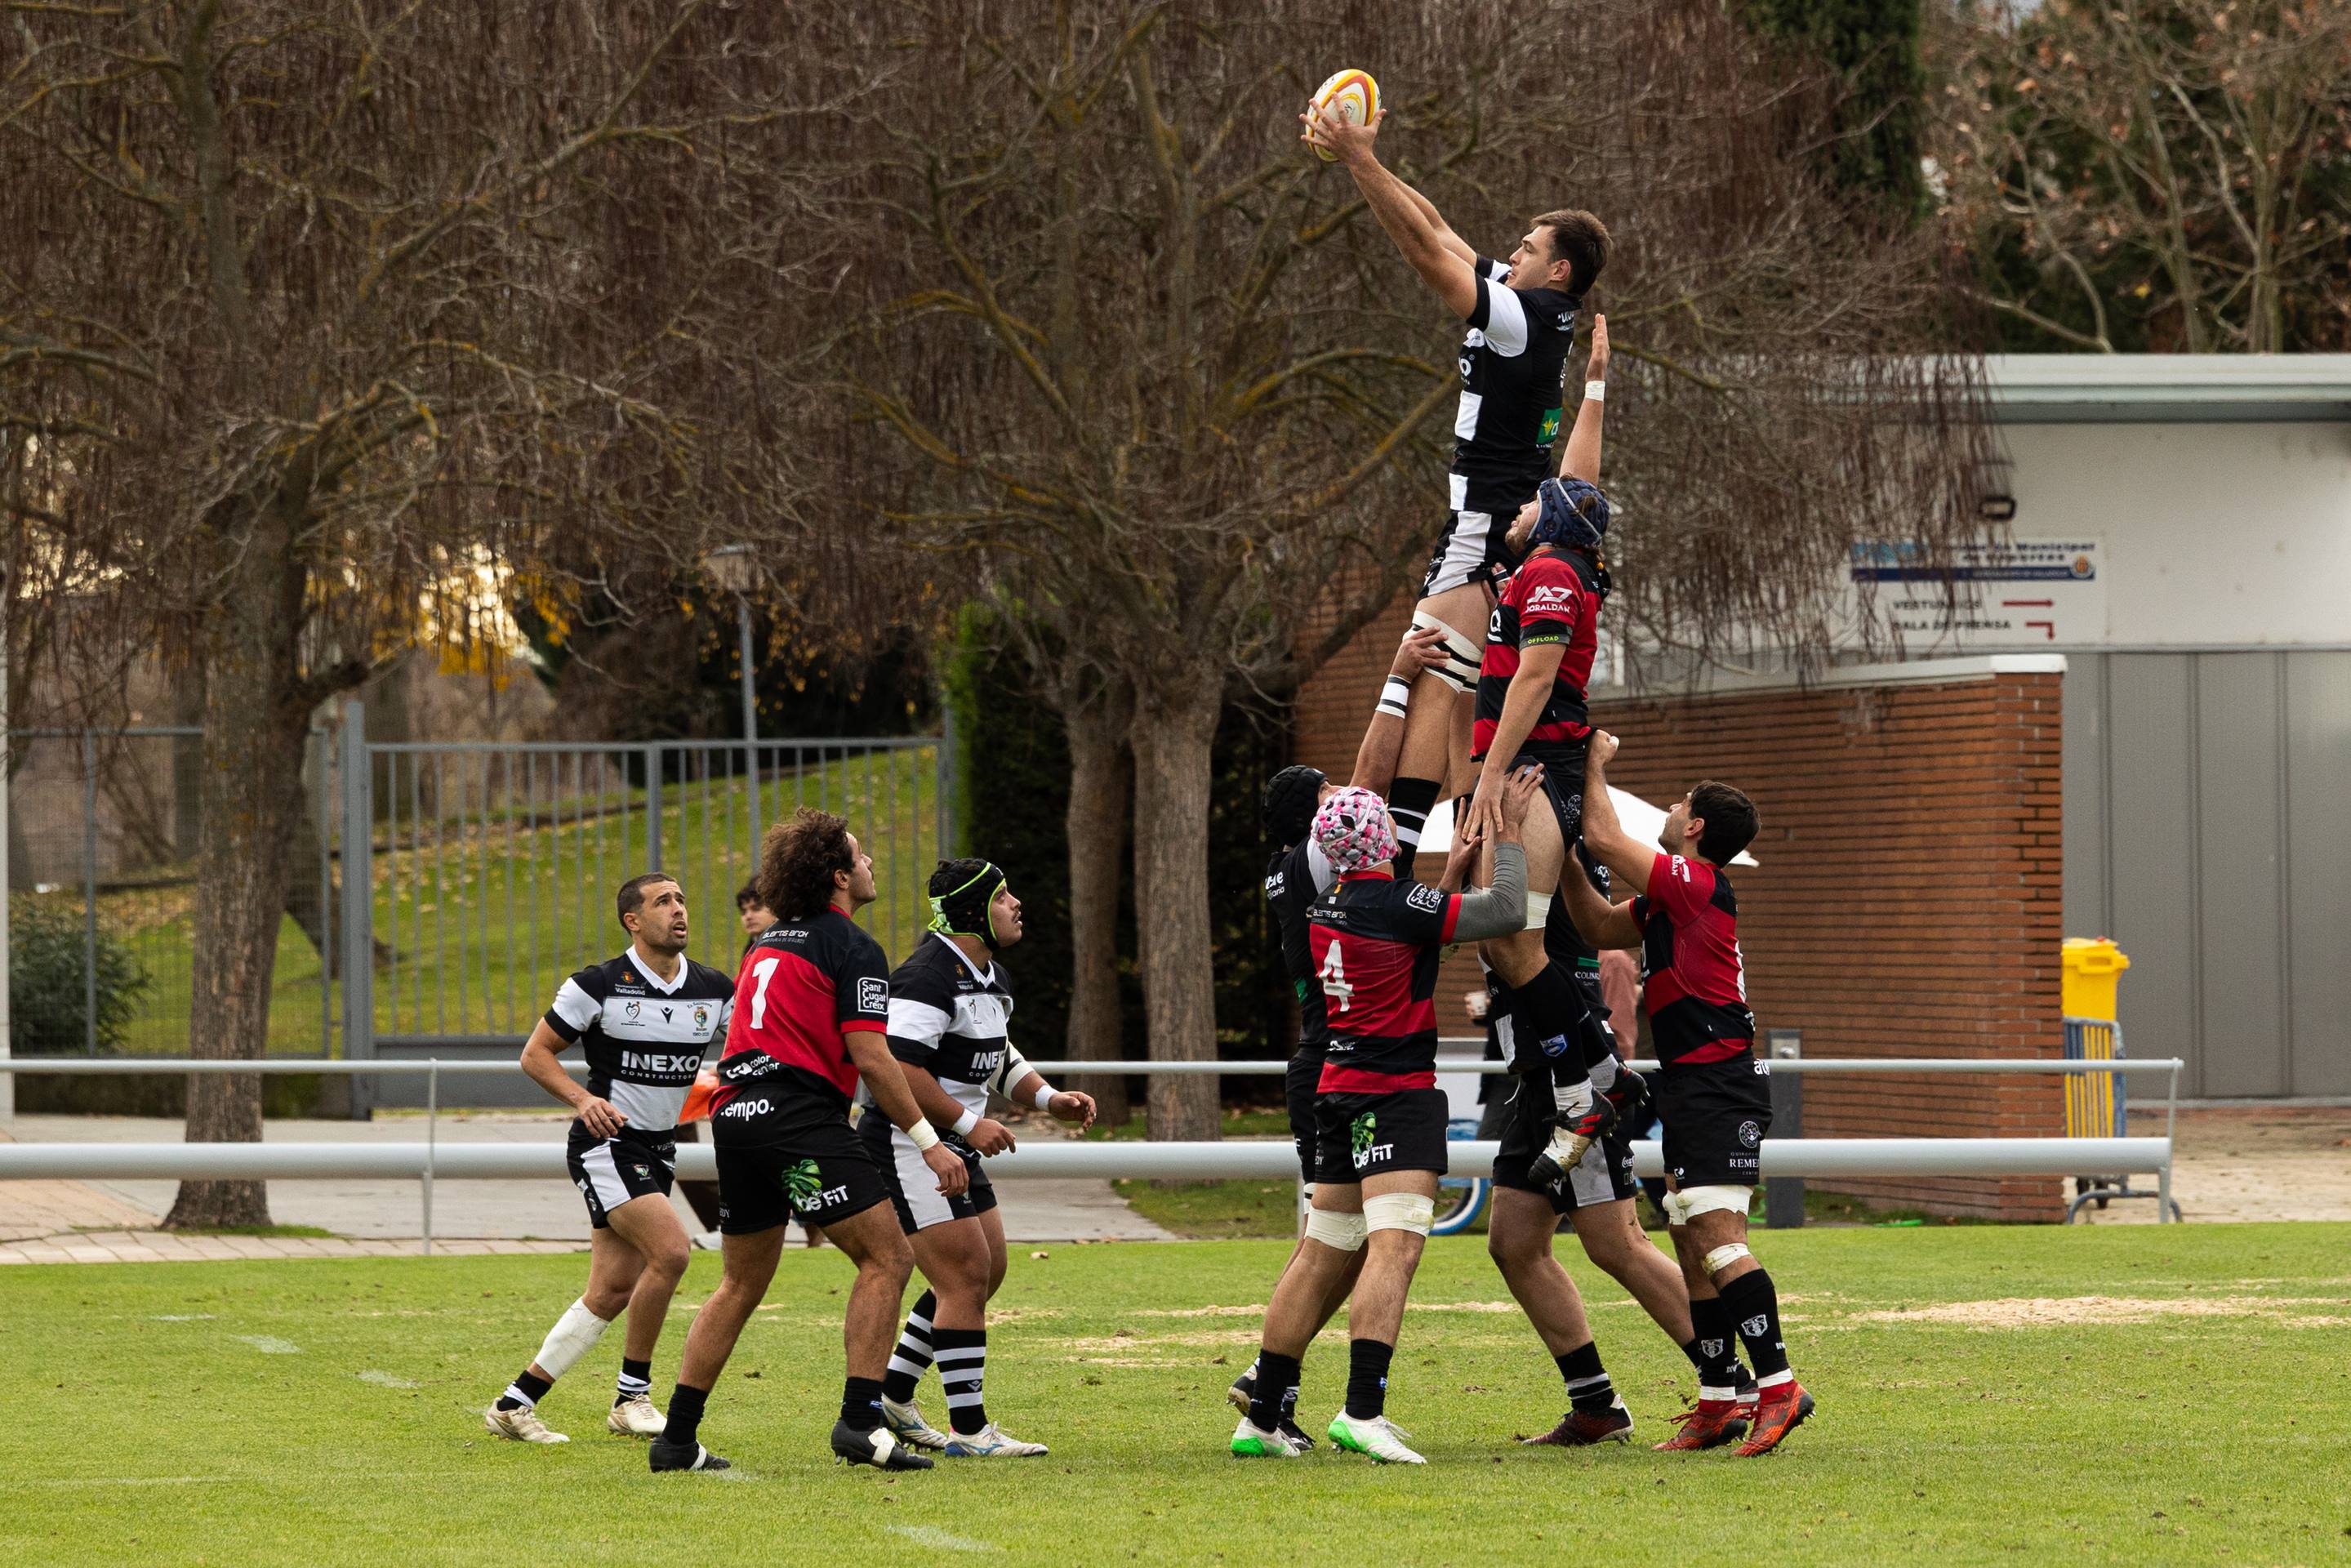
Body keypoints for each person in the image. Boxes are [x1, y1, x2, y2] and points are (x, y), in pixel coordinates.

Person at [1303, 98, 1611, 875]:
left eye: (1527, 246)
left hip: (1479, 526)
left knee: (1424, 682)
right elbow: (1437, 228)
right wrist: (1366, 154)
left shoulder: (1521, 319)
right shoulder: (1531, 305)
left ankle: (1399, 868)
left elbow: (1421, 256)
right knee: (1443, 687)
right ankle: (1425, 863)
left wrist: (1356, 162)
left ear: (1558, 270)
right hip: (1496, 520)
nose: (1510, 252)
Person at [1232, 773, 1538, 1464]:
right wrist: (1510, 832)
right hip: (1391, 1092)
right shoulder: (1398, 903)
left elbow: (1412, 940)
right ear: (1380, 840)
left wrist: (1451, 871)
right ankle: (1361, 1410)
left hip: (1337, 1088)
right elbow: (1507, 910)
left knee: (1321, 1250)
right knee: (1393, 1247)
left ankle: (1261, 1414)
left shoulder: (1327, 903)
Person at [650, 809, 967, 1474]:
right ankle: (859, 1423)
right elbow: (873, 1057)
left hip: (737, 1122)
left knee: (739, 1283)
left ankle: (676, 1440)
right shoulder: (851, 946)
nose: (872, 863)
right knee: (888, 1258)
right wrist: (929, 1140)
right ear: (837, 875)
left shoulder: (764, 944)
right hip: (797, 1123)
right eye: (862, 855)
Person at [1560, 733, 1813, 1457]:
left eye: (1677, 805)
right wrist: (1575, 862)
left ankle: (1779, 1384)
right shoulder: (1669, 898)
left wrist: (1594, 767)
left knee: (1715, 1236)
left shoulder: (1691, 882)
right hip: (1694, 1084)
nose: (1668, 812)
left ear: (1695, 826)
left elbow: (1608, 835)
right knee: (1686, 1231)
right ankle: (1715, 1401)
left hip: (1720, 1083)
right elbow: (1599, 924)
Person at [1226, 626, 1449, 1446]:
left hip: (1323, 1060)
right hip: (1355, 1063)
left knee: (1335, 1240)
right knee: (1362, 1243)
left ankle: (1268, 1394)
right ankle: (1328, 1400)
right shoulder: (1319, 864)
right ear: (1310, 824)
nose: (1344, 804)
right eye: (1327, 800)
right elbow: (1367, 780)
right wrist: (1397, 676)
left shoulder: (1294, 875)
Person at [483, 873, 734, 1444]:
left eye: (682, 899)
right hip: (607, 1145)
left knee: (611, 1290)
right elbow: (536, 1054)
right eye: (663, 902)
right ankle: (631, 1395)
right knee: (670, 1253)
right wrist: (583, 1098)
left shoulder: (716, 990)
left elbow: (750, 1048)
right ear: (633, 920)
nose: (678, 911)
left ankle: (513, 1404)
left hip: (659, 1150)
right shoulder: (596, 984)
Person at [862, 857, 1098, 1459]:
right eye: (1002, 896)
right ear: (972, 911)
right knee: (964, 1274)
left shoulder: (991, 976)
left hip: (954, 1144)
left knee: (984, 1271)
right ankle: (969, 1430)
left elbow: (998, 1055)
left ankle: (892, 1395)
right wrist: (968, 1122)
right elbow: (901, 1067)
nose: (1016, 904)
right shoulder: (926, 977)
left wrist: (1050, 1098)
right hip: (907, 1142)